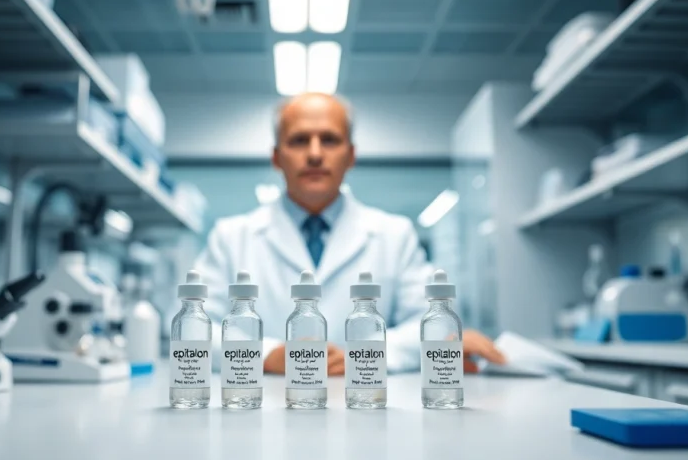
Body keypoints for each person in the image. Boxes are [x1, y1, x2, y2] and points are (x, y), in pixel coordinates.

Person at [193, 92, 506, 374]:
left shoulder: (394, 235)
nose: (315, 154)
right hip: (267, 410)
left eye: (329, 140)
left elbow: (429, 322)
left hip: (367, 406)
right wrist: (265, 354)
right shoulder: (231, 237)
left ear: (351, 155)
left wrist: (363, 354)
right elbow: (194, 326)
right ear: (276, 157)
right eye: (299, 140)